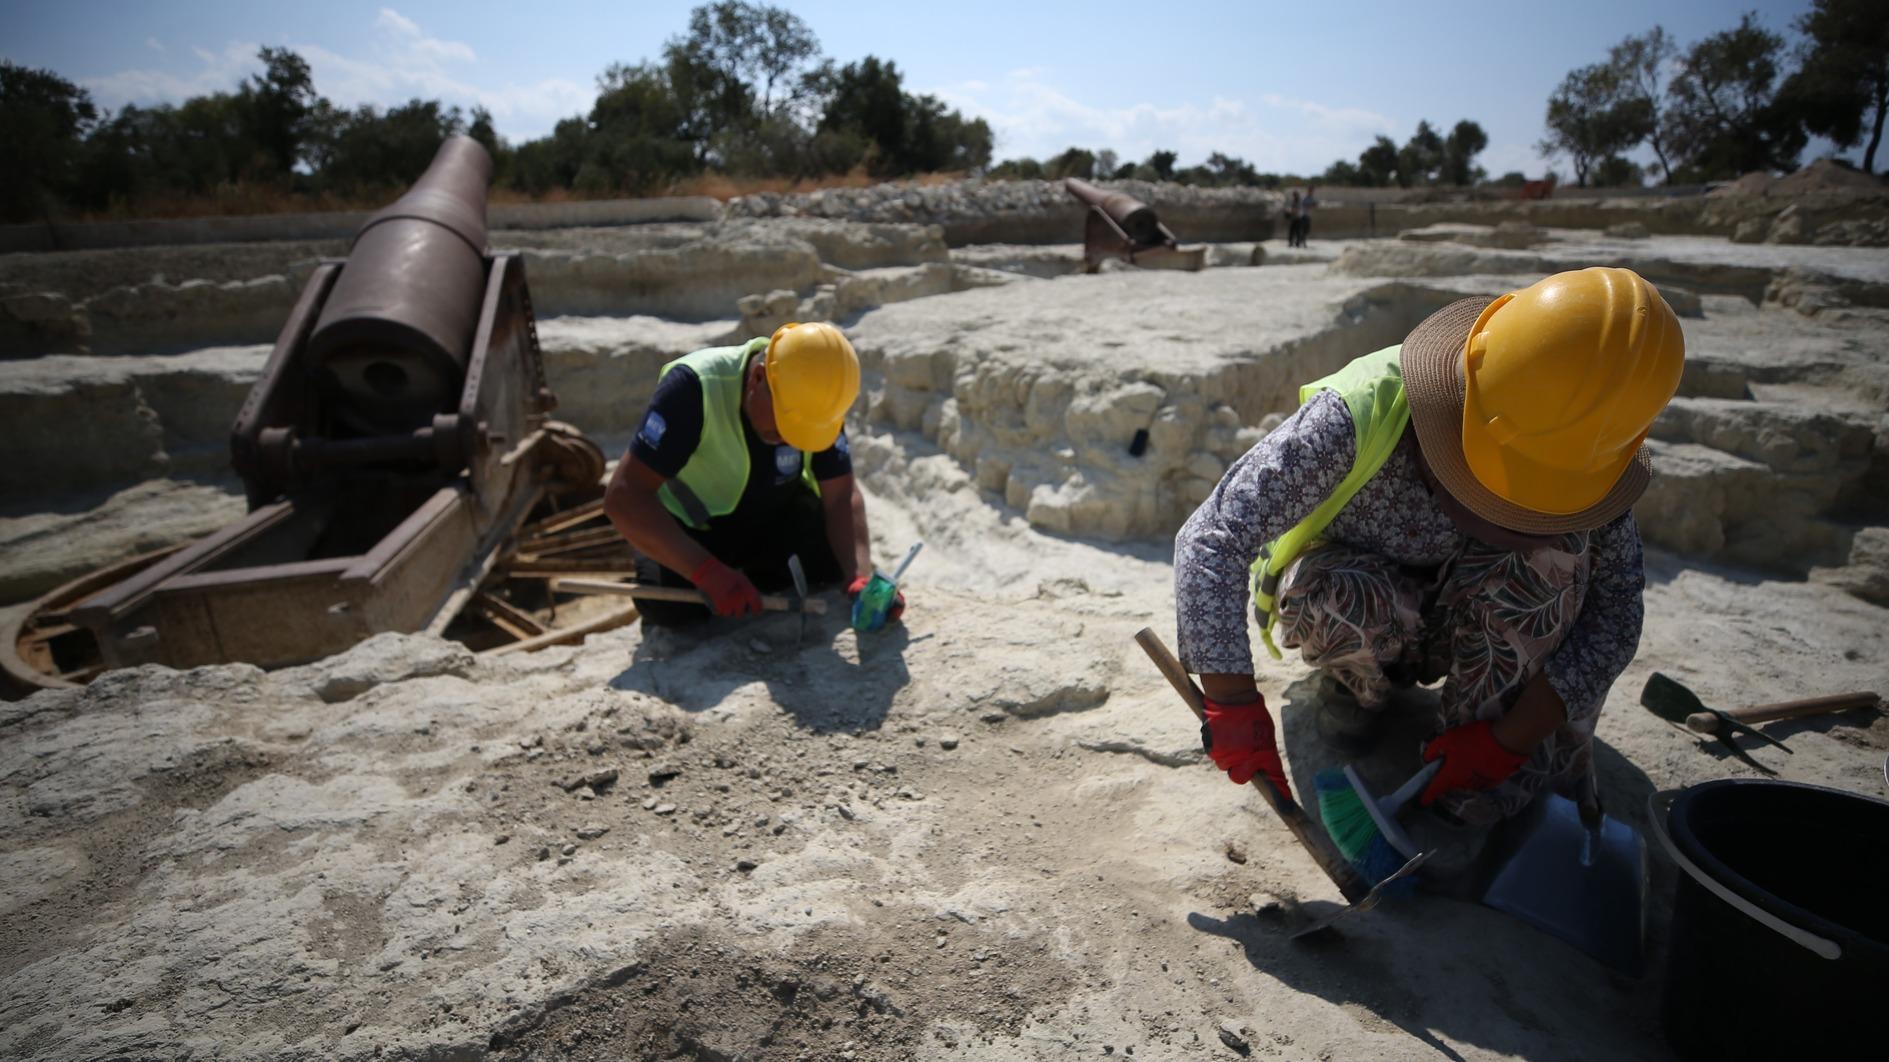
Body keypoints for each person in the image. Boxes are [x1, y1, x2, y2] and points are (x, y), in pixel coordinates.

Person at [1173, 267, 1683, 829]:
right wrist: (1231, 699)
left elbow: (1615, 612)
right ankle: (1355, 686)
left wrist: (1508, 740)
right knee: (1334, 595)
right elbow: (1213, 538)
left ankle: (1466, 762)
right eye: (1497, 499)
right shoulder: (1359, 413)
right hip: (1368, 609)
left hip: (1477, 624)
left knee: (1554, 564)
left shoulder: (1589, 458)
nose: (1510, 519)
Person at [604, 321, 904, 626]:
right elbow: (624, 497)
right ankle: (730, 576)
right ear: (758, 379)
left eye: (802, 433)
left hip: (773, 516)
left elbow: (840, 494)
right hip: (695, 529)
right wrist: (706, 571)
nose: (791, 440)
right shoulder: (694, 387)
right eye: (784, 427)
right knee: (667, 605)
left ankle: (750, 576)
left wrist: (859, 575)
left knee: (833, 564)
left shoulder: (818, 401)